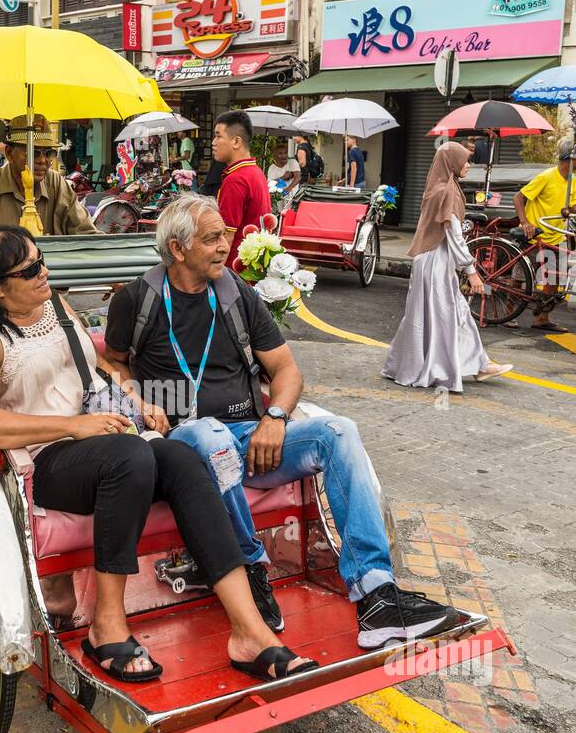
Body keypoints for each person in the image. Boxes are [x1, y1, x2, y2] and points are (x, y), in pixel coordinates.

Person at [0, 228, 317, 683]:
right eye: (29, 270)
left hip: (107, 438)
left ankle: (250, 632)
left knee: (183, 458)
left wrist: (136, 397)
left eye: (41, 259)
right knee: (130, 456)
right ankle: (106, 625)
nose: (44, 272)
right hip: (46, 458)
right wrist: (71, 426)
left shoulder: (56, 307)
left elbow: (97, 365)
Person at [104, 193, 461, 651]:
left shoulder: (236, 294)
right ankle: (250, 570)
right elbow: (113, 362)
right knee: (207, 433)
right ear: (178, 248)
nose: (224, 247)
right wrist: (136, 398)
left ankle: (377, 595)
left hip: (252, 439)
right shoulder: (137, 300)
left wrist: (274, 416)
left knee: (338, 431)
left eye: (226, 236)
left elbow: (287, 370)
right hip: (183, 447)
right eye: (213, 239)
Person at [383, 143, 512, 392]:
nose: (468, 165)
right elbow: (453, 235)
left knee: (442, 314)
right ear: (452, 162)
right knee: (446, 315)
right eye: (465, 160)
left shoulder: (439, 186)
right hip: (436, 262)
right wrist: (471, 272)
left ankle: (477, 364)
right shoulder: (446, 192)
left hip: (431, 261)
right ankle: (461, 366)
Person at [0, 114, 97, 239]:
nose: (42, 160)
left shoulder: (56, 184)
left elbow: (87, 234)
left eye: (49, 153)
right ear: (9, 153)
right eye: (33, 153)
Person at [514, 138, 574, 332]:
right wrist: (525, 223)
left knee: (553, 280)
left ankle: (542, 318)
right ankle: (509, 313)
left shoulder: (573, 181)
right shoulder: (547, 176)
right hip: (535, 235)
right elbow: (519, 197)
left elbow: (571, 206)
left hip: (556, 235)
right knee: (519, 278)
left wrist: (570, 210)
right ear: (570, 159)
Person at [212, 110, 271, 240]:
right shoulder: (255, 171)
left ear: (236, 142)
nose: (213, 142)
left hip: (235, 258)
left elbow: (226, 235)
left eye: (218, 136)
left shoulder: (236, 179)